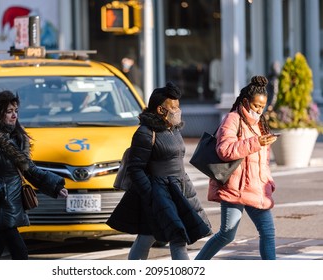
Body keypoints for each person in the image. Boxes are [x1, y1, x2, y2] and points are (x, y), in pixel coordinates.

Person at [107, 81, 212, 260]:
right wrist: (151, 195)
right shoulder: (145, 133)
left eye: (178, 106)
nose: (177, 111)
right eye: (173, 107)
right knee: (176, 237)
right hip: (159, 193)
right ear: (160, 110)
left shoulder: (174, 129)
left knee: (148, 236)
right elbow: (135, 169)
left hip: (178, 190)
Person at [0, 90, 68, 260]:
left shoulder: (17, 140)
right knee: (20, 253)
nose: (14, 115)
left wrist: (55, 186)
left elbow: (30, 170)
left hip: (11, 207)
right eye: (9, 111)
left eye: (15, 111)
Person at [194, 75, 278, 260]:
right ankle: (198, 266)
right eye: (256, 106)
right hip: (235, 188)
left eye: (262, 107)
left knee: (268, 233)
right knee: (227, 234)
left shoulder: (260, 125)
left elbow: (262, 161)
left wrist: (268, 182)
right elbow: (224, 150)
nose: (259, 110)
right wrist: (256, 142)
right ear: (246, 101)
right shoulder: (232, 119)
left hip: (256, 188)